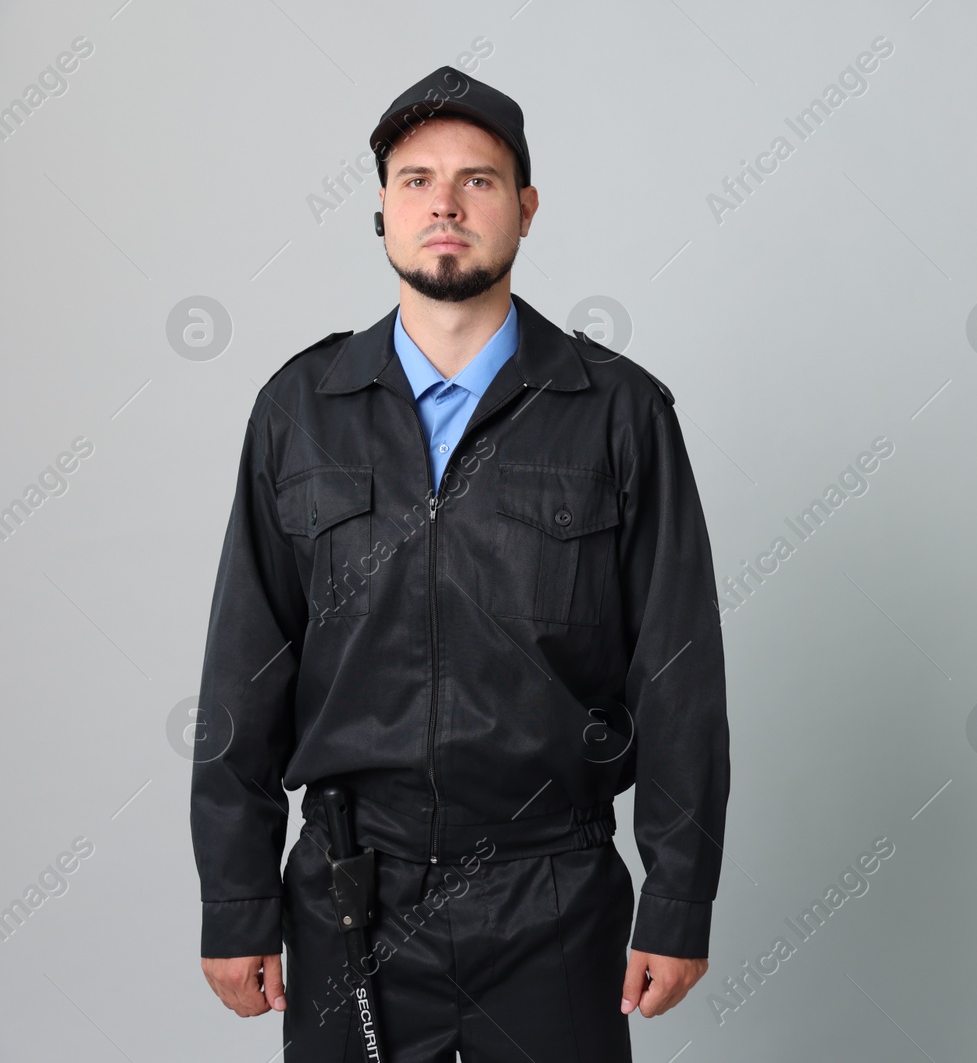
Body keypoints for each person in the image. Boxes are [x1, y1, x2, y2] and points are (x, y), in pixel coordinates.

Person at [189, 65, 730, 1062]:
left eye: (477, 180)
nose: (444, 202)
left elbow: (679, 673)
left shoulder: (618, 413)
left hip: (553, 897)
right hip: (351, 893)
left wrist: (679, 895)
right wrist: (236, 896)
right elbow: (244, 667)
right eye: (414, 178)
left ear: (525, 209)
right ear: (382, 214)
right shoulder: (298, 410)